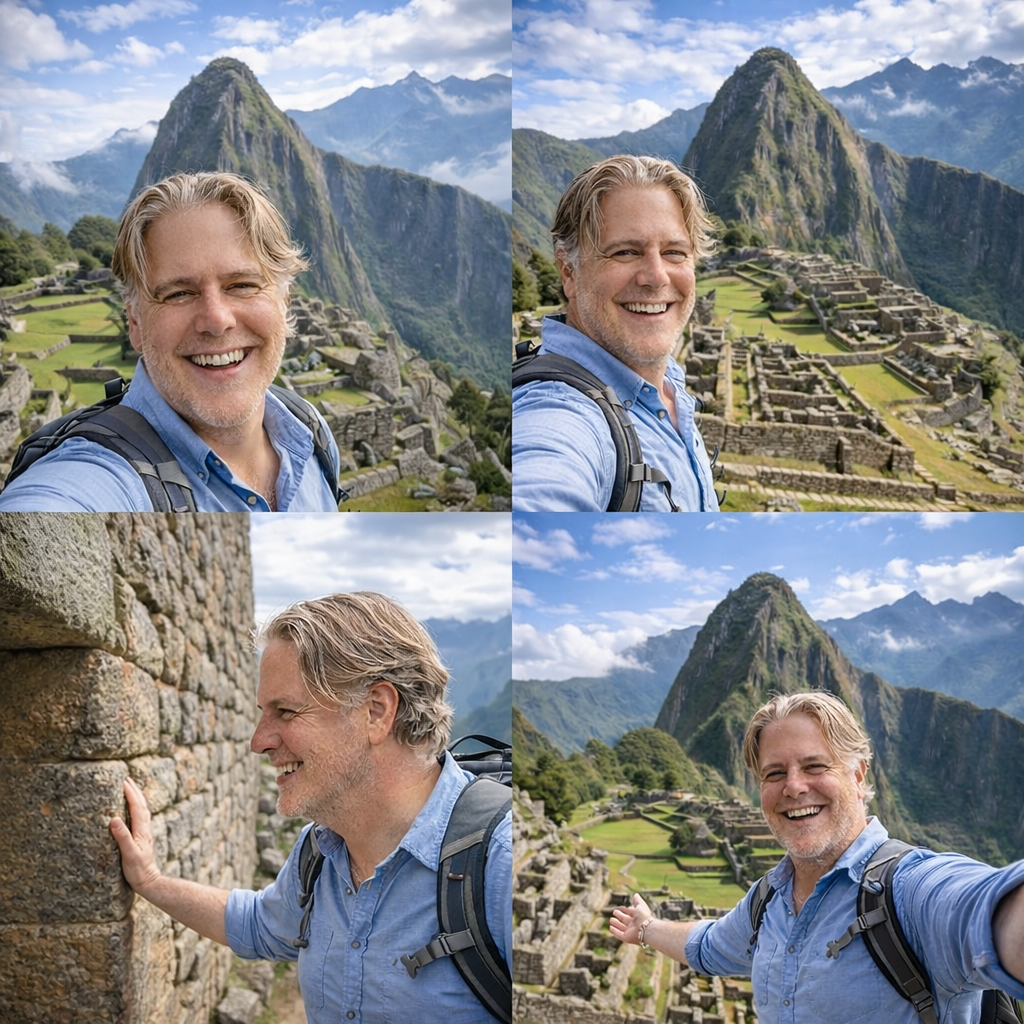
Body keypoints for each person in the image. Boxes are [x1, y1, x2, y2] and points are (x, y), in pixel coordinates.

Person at [109, 592, 512, 1023]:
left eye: (284, 711)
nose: (258, 741)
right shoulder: (319, 851)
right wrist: (149, 881)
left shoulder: (499, 862)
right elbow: (261, 925)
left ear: (376, 711)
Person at [610, 691, 1024, 1021]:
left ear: (858, 775)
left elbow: (988, 913)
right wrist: (647, 928)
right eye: (774, 773)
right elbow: (708, 946)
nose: (793, 787)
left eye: (815, 766)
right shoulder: (766, 903)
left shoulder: (911, 893)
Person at [0, 171, 340, 511]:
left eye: (242, 285)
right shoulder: (96, 480)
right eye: (178, 293)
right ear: (134, 321)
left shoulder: (312, 435)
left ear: (285, 301)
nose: (217, 320)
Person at [512, 154, 720, 512]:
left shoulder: (670, 388)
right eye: (625, 252)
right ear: (568, 272)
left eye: (674, 252)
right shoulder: (560, 412)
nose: (656, 277)